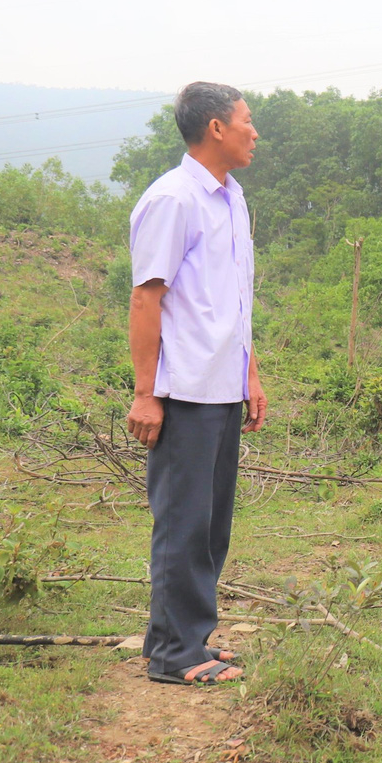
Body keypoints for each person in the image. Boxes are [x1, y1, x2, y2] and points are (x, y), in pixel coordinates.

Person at [125, 82, 267, 685]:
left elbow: (233, 300)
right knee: (182, 523)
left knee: (211, 524)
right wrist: (144, 392)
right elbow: (146, 296)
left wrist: (251, 374)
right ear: (215, 128)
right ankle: (173, 656)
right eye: (246, 121)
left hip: (222, 386)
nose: (254, 132)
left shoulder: (230, 199)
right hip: (182, 390)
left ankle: (192, 639)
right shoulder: (173, 200)